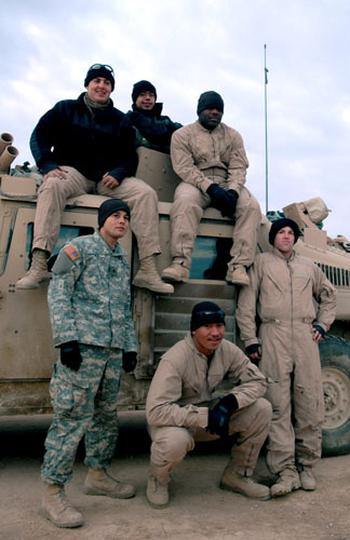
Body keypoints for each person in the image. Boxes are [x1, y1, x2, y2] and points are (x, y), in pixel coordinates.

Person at [16, 64, 173, 295]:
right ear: (87, 84)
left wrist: (119, 172)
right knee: (52, 186)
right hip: (73, 174)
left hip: (107, 180)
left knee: (145, 193)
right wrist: (47, 164)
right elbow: (38, 135)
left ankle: (147, 270)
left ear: (111, 89)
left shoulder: (120, 120)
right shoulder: (65, 109)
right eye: (97, 81)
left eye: (107, 83)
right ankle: (39, 263)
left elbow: (129, 155)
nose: (102, 86)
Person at [40, 199, 138, 528]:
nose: (121, 221)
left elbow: (125, 308)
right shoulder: (78, 248)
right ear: (101, 220)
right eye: (115, 215)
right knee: (71, 419)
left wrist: (129, 347)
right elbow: (58, 292)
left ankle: (97, 475)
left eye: (126, 217)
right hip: (82, 351)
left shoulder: (121, 259)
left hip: (110, 353)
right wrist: (66, 340)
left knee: (105, 418)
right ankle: (53, 492)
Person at [236, 218, 336, 497]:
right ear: (273, 237)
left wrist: (322, 324)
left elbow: (328, 296)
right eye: (282, 232)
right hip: (273, 333)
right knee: (277, 402)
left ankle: (306, 466)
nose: (287, 236)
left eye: (291, 233)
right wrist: (251, 339)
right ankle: (285, 470)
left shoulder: (309, 267)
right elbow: (246, 304)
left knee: (309, 401)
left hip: (305, 336)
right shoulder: (260, 263)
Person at [145, 301, 272, 508]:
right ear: (194, 329)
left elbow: (259, 381)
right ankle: (158, 480)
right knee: (174, 441)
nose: (216, 333)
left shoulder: (227, 350)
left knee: (262, 409)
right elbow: (155, 412)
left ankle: (236, 475)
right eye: (208, 326)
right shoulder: (175, 358)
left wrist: (229, 404)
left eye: (220, 326)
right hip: (176, 423)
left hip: (211, 419)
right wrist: (204, 416)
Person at [161, 91, 261, 287]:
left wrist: (232, 190)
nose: (214, 112)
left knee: (251, 207)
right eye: (210, 108)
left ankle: (238, 266)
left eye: (218, 109)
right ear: (200, 110)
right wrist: (210, 188)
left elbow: (238, 166)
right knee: (185, 202)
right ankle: (180, 263)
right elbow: (184, 167)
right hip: (196, 182)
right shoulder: (182, 135)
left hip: (227, 181)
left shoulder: (233, 136)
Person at [126, 79, 182, 153]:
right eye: (142, 94)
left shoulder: (167, 122)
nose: (148, 98)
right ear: (135, 99)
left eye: (151, 95)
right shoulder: (127, 122)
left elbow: (185, 133)